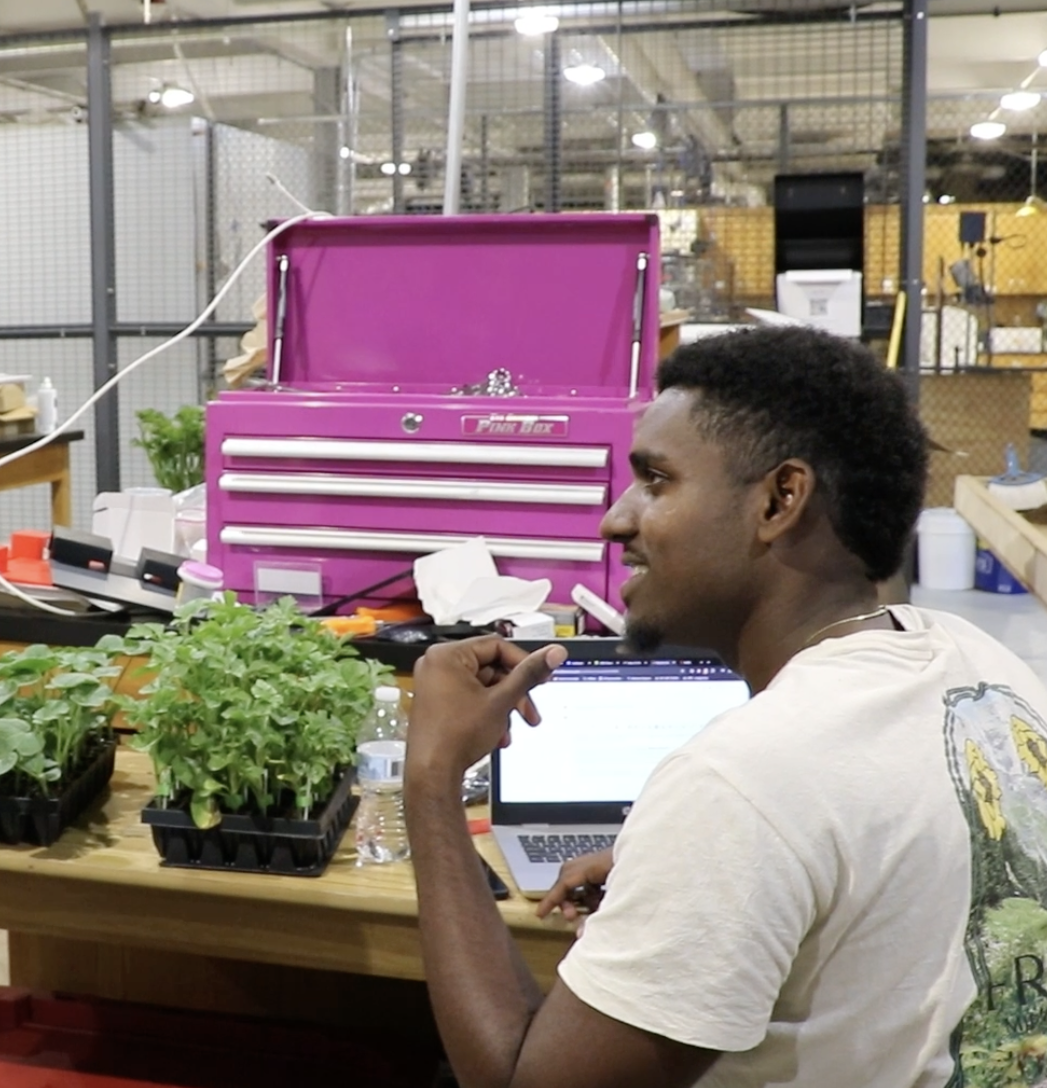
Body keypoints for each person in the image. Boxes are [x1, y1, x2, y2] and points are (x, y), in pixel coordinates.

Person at [404, 325, 1047, 1088]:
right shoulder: (982, 667)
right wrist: (695, 872)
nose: (616, 520)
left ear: (780, 499)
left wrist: (433, 780)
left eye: (656, 481)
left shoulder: (745, 781)